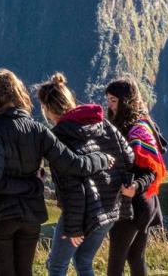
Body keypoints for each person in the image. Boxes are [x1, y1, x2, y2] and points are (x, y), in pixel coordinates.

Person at [0, 69, 113, 276]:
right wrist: (102, 159)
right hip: (31, 213)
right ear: (20, 94)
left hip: (1, 214)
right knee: (25, 272)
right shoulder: (38, 130)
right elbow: (74, 163)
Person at [36, 73, 134, 276]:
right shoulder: (102, 123)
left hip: (82, 213)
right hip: (110, 208)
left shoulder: (59, 138)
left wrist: (73, 227)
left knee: (56, 265)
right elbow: (129, 156)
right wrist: (118, 179)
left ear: (46, 108)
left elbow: (71, 186)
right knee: (82, 260)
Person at [105, 78, 168, 276]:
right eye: (108, 99)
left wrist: (135, 187)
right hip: (142, 203)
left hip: (134, 204)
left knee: (116, 262)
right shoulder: (132, 123)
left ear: (126, 101)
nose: (109, 105)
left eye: (114, 100)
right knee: (135, 258)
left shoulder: (138, 129)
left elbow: (152, 170)